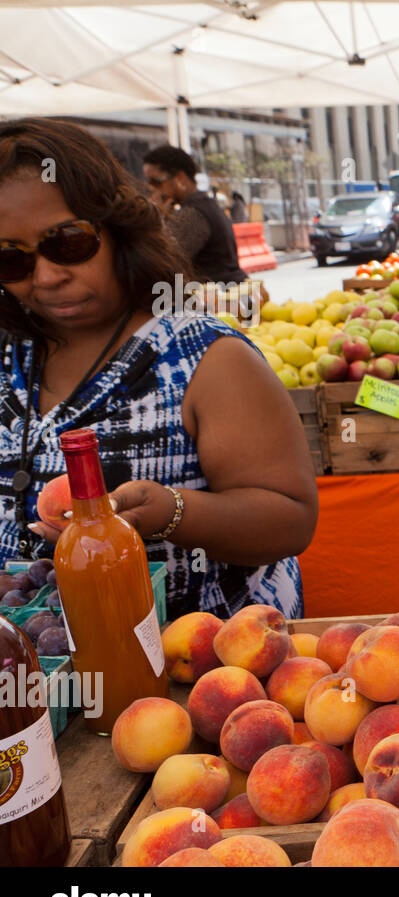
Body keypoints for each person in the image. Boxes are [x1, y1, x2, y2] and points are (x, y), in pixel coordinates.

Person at [1, 118, 318, 618]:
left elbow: (290, 521)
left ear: (117, 228)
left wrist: (172, 512)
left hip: (196, 676)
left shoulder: (206, 358)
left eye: (67, 242)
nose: (47, 275)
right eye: (9, 259)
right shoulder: (10, 356)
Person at [141, 145, 249, 285]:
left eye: (156, 182)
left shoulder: (193, 214)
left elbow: (161, 263)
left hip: (219, 299)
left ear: (180, 178)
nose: (151, 189)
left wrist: (156, 219)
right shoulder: (206, 204)